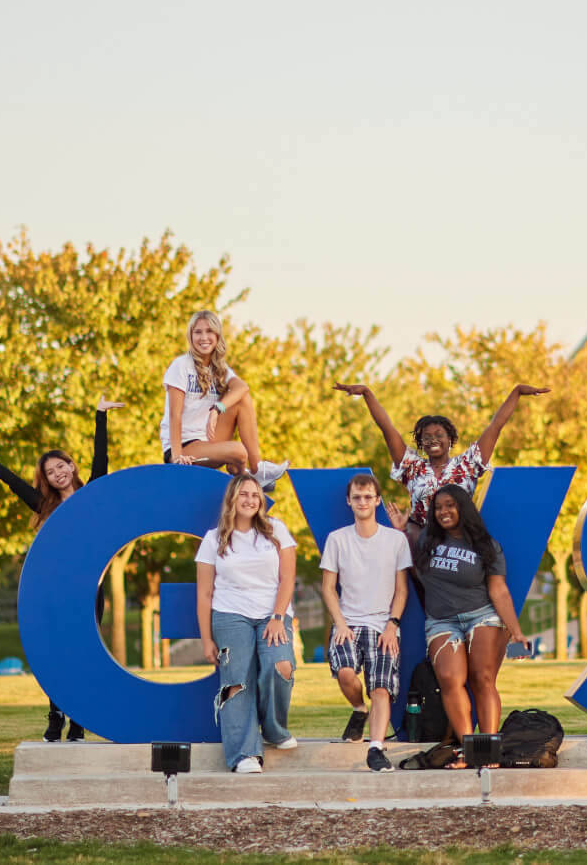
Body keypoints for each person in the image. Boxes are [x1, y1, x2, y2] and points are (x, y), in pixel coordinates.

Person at [0, 395, 124, 743]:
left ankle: (79, 721)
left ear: (72, 467)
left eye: (62, 467)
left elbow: (100, 460)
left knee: (84, 651)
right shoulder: (43, 505)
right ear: (45, 479)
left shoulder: (92, 494)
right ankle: (55, 718)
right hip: (58, 588)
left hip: (92, 587)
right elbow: (11, 481)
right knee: (59, 652)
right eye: (50, 472)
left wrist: (99, 415)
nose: (58, 474)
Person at [331, 380, 550, 535]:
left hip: (459, 541)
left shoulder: (467, 464)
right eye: (426, 437)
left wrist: (517, 392)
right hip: (422, 544)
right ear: (421, 443)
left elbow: (496, 426)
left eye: (439, 435)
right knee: (412, 535)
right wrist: (367, 394)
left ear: (450, 440)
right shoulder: (412, 466)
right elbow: (387, 428)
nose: (432, 440)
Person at [413, 484, 531, 766]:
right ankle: (468, 751)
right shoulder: (427, 542)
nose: (444, 511)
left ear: (463, 508)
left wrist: (516, 631)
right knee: (451, 681)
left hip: (482, 616)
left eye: (450, 505)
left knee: (482, 680)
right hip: (441, 621)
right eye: (439, 507)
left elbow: (499, 591)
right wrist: (400, 528)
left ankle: (487, 752)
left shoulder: (486, 546)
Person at [196, 472, 301, 774]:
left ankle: (272, 728)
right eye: (244, 494)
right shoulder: (213, 539)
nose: (250, 500)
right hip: (230, 615)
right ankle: (244, 755)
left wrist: (278, 616)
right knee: (236, 682)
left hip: (273, 614)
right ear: (232, 498)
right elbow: (204, 593)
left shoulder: (276, 530)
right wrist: (206, 639)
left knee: (281, 666)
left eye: (255, 495)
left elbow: (287, 578)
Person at [317, 471, 411, 773]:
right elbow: (328, 588)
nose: (362, 501)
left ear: (378, 500)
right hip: (349, 623)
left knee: (381, 688)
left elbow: (402, 589)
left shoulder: (395, 540)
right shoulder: (337, 539)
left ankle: (375, 748)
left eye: (368, 497)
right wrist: (340, 624)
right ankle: (359, 709)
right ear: (349, 501)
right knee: (346, 674)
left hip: (383, 625)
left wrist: (392, 625)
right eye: (357, 497)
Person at [163, 310, 288, 489]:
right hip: (184, 447)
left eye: (209, 331)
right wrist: (176, 457)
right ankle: (239, 469)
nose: (203, 337)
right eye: (198, 332)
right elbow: (175, 415)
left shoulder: (219, 368)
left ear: (217, 335)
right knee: (239, 451)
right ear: (190, 336)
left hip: (207, 438)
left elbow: (242, 387)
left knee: (241, 399)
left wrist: (217, 409)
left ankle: (257, 469)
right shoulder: (181, 365)